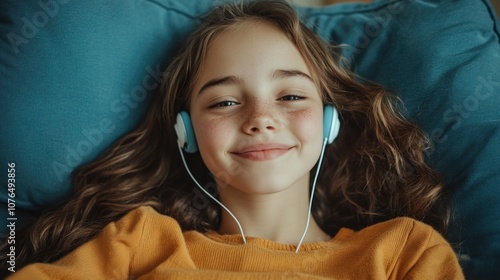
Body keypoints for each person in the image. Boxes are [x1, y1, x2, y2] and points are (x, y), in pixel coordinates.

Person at [2, 0, 463, 278]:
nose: (261, 119)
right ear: (185, 131)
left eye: (289, 95)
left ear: (329, 122)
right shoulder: (140, 242)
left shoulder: (403, 252)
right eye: (224, 102)